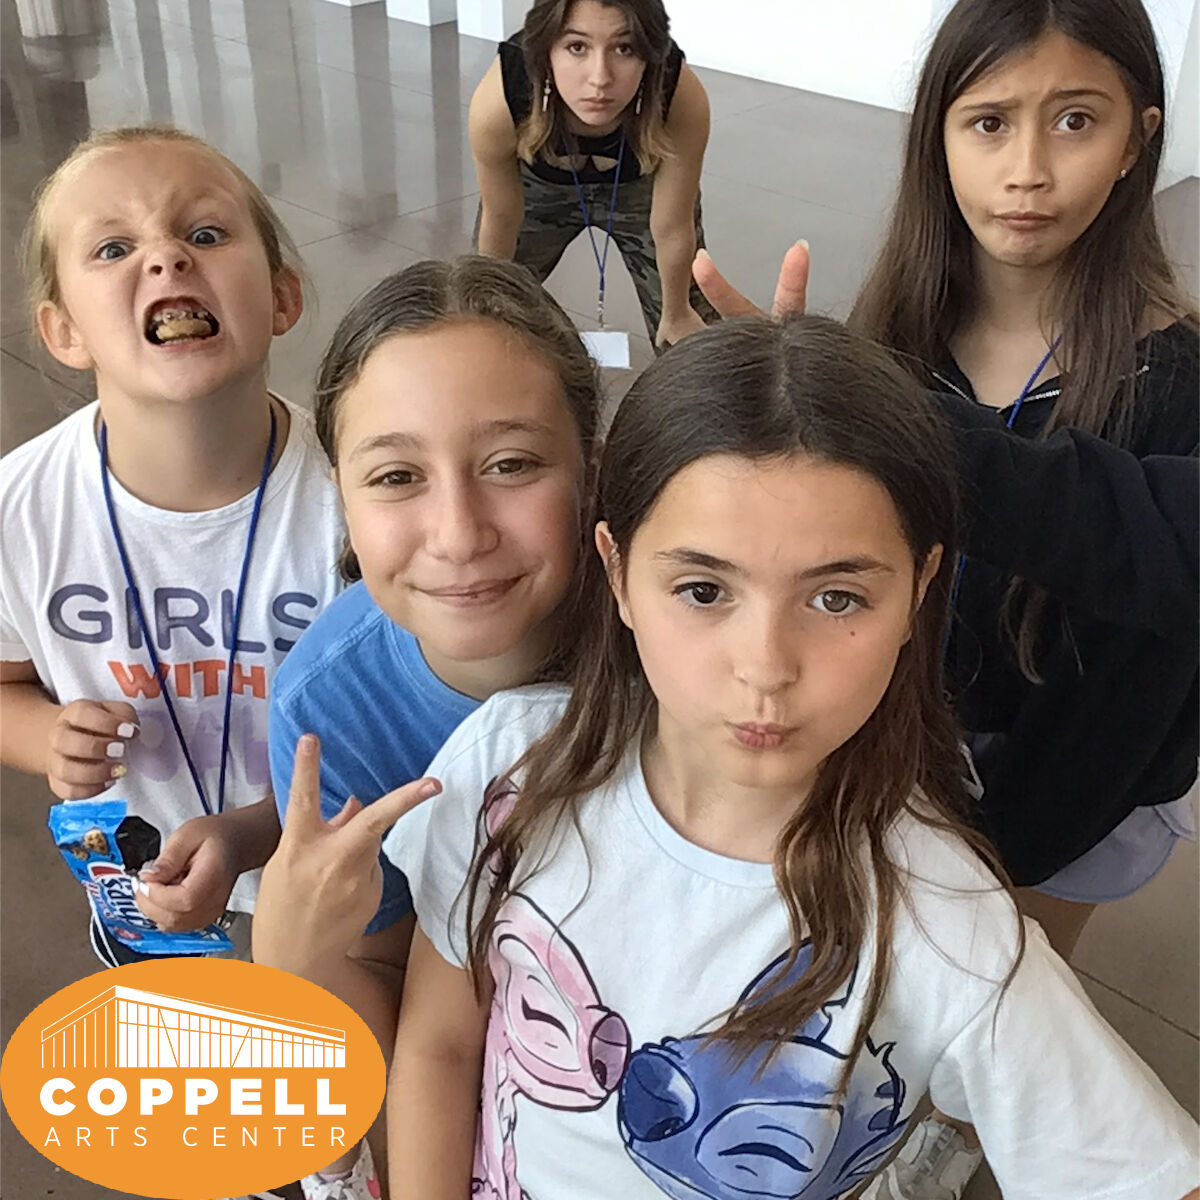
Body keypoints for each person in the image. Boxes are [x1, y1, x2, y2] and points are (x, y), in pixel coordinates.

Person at [382, 315, 1199, 1200]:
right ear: (616, 572)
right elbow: (441, 1041)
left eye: (837, 597)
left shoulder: (943, 925)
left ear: (919, 590)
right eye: (704, 589)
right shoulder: (509, 768)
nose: (766, 667)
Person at [695, 0, 1199, 1193]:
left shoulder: (1175, 378)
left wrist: (981, 863)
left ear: (1139, 137)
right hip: (920, 759)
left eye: (1074, 121)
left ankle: (946, 1141)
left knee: (998, 992)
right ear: (936, 137)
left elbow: (1127, 693)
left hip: (1070, 801)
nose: (1027, 170)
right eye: (989, 123)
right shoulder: (894, 338)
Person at [251, 255, 603, 1199]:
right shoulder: (329, 706)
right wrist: (295, 965)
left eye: (511, 465)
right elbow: (388, 984)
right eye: (398, 475)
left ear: (593, 465)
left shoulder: (678, 643)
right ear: (340, 494)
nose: (458, 532)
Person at [0, 126, 344, 968]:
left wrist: (254, 832)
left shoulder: (357, 499)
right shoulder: (19, 512)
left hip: (335, 882)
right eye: (114, 248)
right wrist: (45, 737)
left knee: (328, 1044)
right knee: (190, 1047)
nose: (167, 259)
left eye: (206, 233)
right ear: (64, 331)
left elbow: (407, 723)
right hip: (144, 890)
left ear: (283, 297)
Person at [468, 0, 718, 347]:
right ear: (546, 50)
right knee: (485, 308)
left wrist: (676, 313)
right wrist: (487, 314)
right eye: (577, 47)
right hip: (536, 191)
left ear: (648, 55)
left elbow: (673, 226)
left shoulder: (678, 95)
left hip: (643, 188)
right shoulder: (502, 100)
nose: (600, 78)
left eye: (624, 48)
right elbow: (501, 217)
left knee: (695, 336)